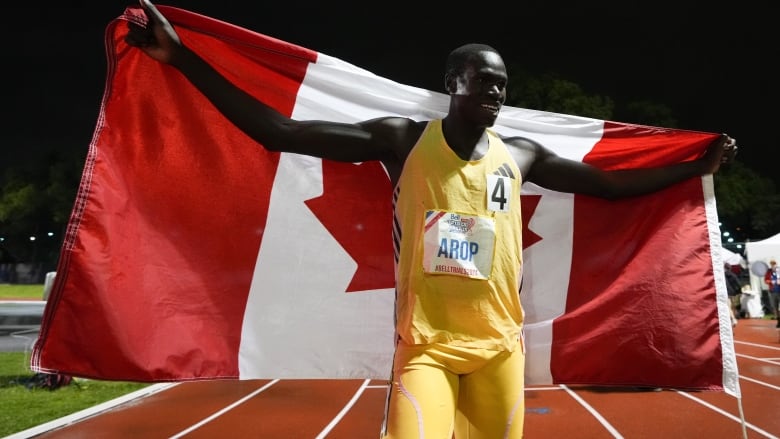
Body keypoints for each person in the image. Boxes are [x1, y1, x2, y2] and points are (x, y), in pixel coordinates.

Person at [125, 1, 738, 437]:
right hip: (428, 348)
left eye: (503, 86)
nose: (497, 94)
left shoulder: (519, 154)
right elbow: (278, 131)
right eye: (484, 83)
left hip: (501, 346)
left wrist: (694, 171)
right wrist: (181, 59)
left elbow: (607, 186)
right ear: (453, 84)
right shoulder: (403, 139)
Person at [764, 259, 780, 326]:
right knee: (775, 307)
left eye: (774, 264)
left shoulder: (778, 271)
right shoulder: (769, 271)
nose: (773, 265)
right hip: (773, 291)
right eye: (772, 264)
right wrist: (770, 282)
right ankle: (778, 320)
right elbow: (766, 280)